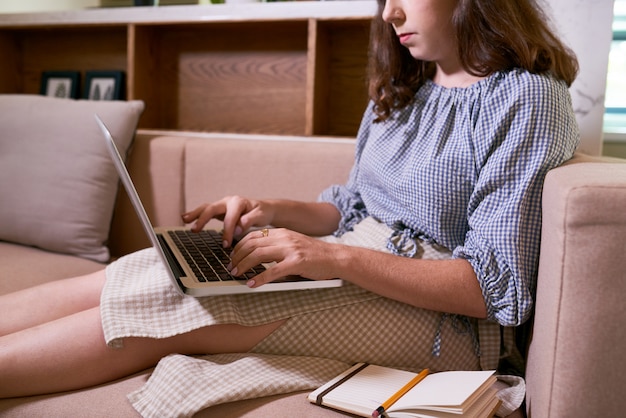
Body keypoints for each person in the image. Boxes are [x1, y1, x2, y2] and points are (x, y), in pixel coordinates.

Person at [0, 0, 579, 416]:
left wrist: (330, 258)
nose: (389, 14)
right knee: (150, 269)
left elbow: (492, 287)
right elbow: (353, 206)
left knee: (181, 305)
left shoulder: (527, 99)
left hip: (445, 324)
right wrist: (269, 208)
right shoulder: (409, 87)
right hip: (354, 259)